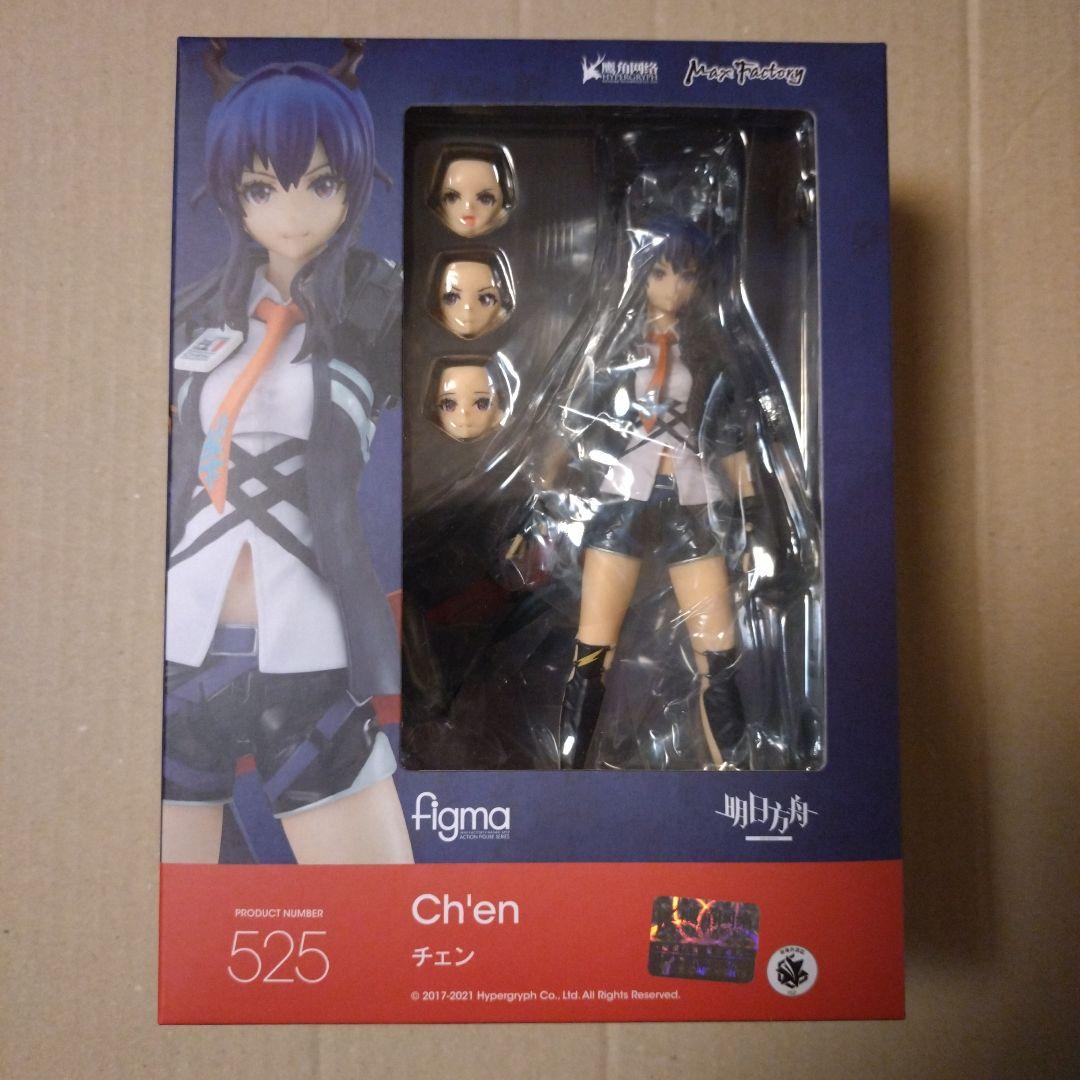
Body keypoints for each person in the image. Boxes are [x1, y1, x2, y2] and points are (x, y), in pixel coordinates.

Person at [162, 41, 413, 863]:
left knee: (380, 922)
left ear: (352, 186)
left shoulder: (381, 308)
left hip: (309, 650)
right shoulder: (194, 315)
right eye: (262, 187)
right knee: (172, 924)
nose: (292, 211)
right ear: (233, 195)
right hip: (175, 650)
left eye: (321, 182)